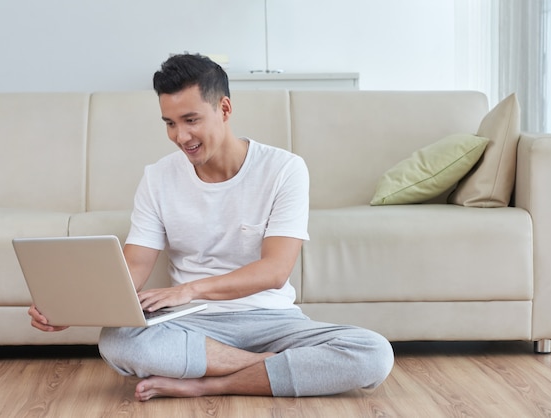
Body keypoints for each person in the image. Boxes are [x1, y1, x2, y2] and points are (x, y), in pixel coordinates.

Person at [28, 53, 394, 401]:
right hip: (192, 327)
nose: (180, 137)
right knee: (117, 340)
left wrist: (189, 290)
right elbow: (136, 264)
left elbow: (275, 270)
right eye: (170, 123)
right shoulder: (158, 178)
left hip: (272, 320)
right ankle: (273, 368)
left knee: (373, 353)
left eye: (191, 120)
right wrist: (76, 307)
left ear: (224, 109)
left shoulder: (284, 169)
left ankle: (207, 385)